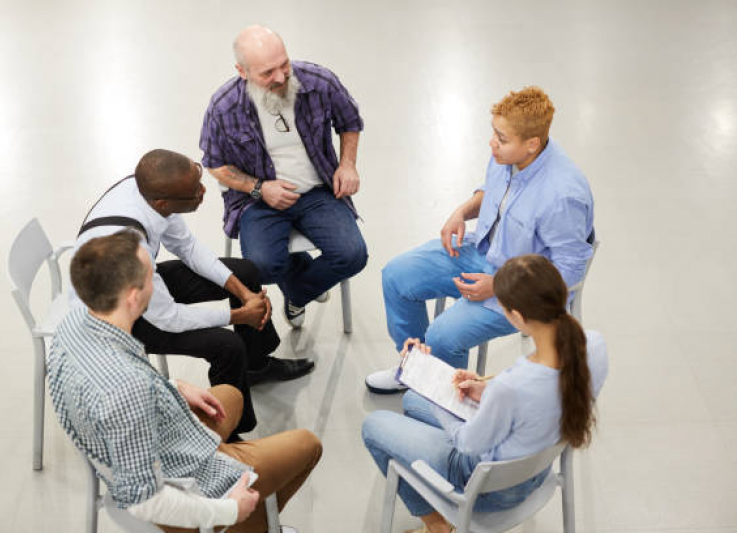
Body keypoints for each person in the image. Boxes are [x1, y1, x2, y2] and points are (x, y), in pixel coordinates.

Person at [49, 230, 322, 533]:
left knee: (231, 395)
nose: (158, 280)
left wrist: (174, 386)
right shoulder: (126, 391)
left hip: (152, 434)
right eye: (151, 275)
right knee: (308, 445)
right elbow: (145, 500)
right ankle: (247, 523)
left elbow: (121, 387)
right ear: (132, 296)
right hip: (172, 480)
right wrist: (228, 510)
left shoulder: (75, 323)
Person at [72, 149, 315, 438]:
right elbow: (169, 318)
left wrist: (242, 293)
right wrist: (238, 315)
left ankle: (257, 364)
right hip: (117, 321)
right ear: (163, 202)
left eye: (198, 181)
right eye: (194, 192)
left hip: (139, 287)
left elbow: (188, 248)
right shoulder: (133, 245)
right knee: (227, 345)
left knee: (246, 273)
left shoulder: (150, 194)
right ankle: (228, 432)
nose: (203, 191)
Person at [366, 86, 595, 393]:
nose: (492, 144)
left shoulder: (563, 195)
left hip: (523, 289)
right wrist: (461, 212)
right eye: (494, 134)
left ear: (532, 144)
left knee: (443, 335)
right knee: (396, 277)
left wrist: (502, 286)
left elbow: (570, 269)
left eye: (501, 139)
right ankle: (414, 370)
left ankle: (444, 397)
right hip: (483, 249)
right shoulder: (509, 157)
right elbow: (492, 191)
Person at [362, 255, 608, 533]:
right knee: (410, 401)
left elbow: (467, 443)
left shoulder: (513, 387)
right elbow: (535, 400)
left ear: (517, 316)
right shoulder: (594, 345)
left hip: (492, 488)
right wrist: (484, 390)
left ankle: (437, 526)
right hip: (538, 466)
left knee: (373, 426)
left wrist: (434, 390)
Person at [200, 24, 368, 328]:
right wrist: (259, 188)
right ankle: (304, 284)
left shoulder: (318, 81)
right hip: (258, 201)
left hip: (318, 191)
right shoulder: (223, 107)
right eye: (267, 73)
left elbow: (350, 121)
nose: (280, 77)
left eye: (284, 65)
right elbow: (214, 164)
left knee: (353, 255)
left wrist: (347, 164)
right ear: (242, 71)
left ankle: (296, 294)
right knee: (261, 269)